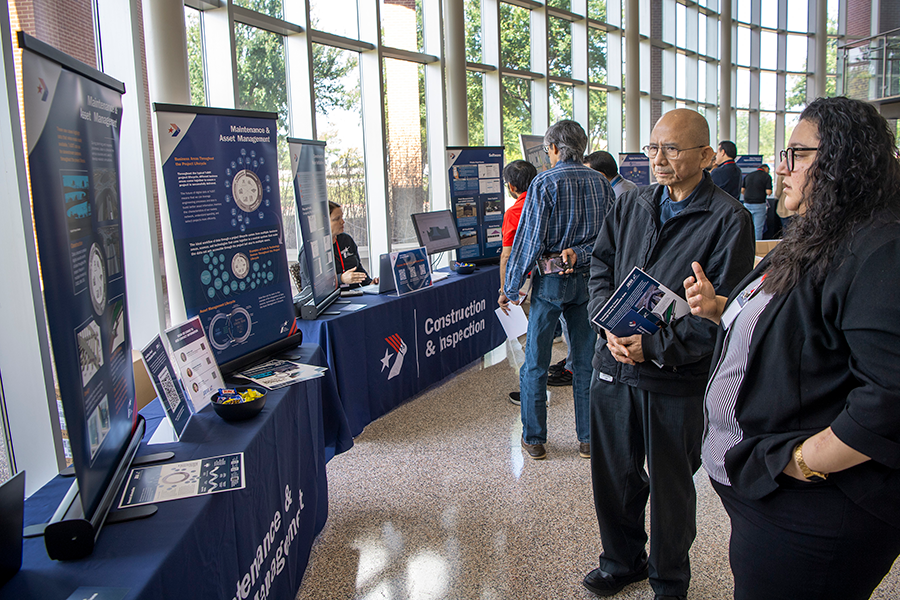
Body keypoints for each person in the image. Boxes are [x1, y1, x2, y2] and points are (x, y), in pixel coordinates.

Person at [684, 96, 900, 600]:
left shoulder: (880, 248)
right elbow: (802, 331)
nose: (780, 167)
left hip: (815, 514)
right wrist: (722, 311)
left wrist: (800, 461)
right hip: (768, 498)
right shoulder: (824, 233)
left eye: (797, 154)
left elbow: (890, 395)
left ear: (844, 159)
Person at [584, 109, 754, 600]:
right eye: (653, 147)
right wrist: (607, 328)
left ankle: (669, 578)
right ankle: (621, 562)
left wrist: (654, 346)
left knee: (672, 491)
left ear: (705, 156)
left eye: (672, 149)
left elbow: (722, 312)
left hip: (674, 380)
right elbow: (601, 266)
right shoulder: (631, 204)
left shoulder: (729, 220)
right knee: (613, 478)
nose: (658, 158)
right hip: (613, 366)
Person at [502, 119, 612, 460]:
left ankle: (534, 439)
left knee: (535, 363)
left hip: (549, 283)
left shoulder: (543, 183)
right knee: (585, 363)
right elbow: (611, 240)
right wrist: (580, 254)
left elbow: (529, 241)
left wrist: (510, 286)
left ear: (552, 149)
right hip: (588, 283)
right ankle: (588, 439)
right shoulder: (601, 183)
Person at [497, 160, 537, 406]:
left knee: (525, 338)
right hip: (551, 276)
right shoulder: (545, 203)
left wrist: (504, 290)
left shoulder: (514, 212)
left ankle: (531, 393)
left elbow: (506, 255)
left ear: (511, 187)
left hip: (525, 284)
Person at [329, 201, 376, 289]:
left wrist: (370, 284)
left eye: (342, 217)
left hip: (356, 294)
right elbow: (310, 289)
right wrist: (340, 279)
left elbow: (357, 268)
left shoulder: (346, 240)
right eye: (337, 219)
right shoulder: (310, 251)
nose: (342, 222)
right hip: (334, 299)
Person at [740, 163, 772, 240]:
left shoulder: (748, 176)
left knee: (746, 228)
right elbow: (769, 192)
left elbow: (742, 190)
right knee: (757, 229)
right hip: (759, 204)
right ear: (766, 169)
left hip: (747, 204)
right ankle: (757, 249)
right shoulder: (766, 176)